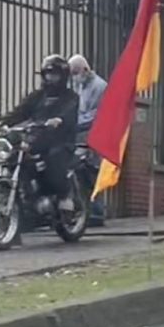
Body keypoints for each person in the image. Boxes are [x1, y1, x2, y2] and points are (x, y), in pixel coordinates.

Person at [0, 54, 79, 212]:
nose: (51, 78)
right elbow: (21, 111)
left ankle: (64, 195)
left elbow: (69, 112)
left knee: (54, 159)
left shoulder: (70, 97)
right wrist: (3, 122)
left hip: (61, 140)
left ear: (63, 76)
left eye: (54, 74)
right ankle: (27, 194)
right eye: (48, 74)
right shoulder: (37, 96)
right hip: (37, 138)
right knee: (16, 156)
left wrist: (58, 119)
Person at [68, 54, 108, 226]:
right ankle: (87, 211)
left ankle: (98, 213)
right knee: (82, 173)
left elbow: (96, 115)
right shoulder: (80, 86)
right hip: (81, 136)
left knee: (92, 173)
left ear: (85, 69)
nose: (74, 77)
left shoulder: (99, 87)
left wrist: (74, 124)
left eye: (76, 72)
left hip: (94, 137)